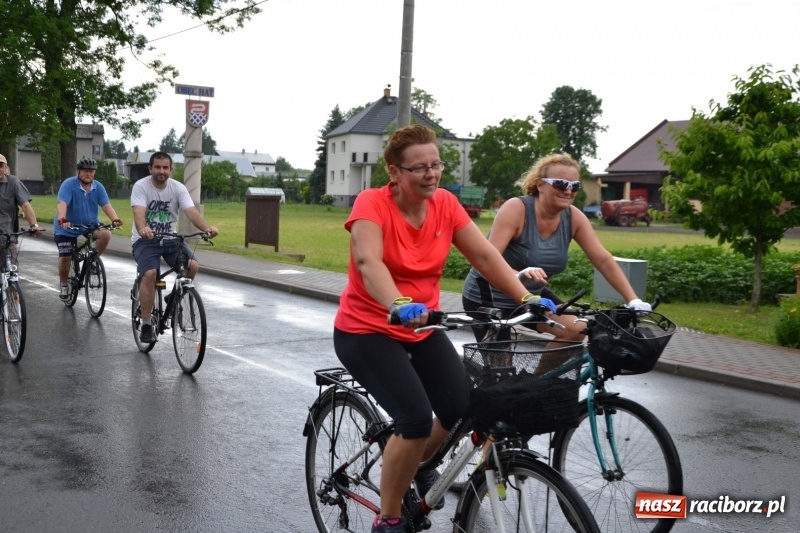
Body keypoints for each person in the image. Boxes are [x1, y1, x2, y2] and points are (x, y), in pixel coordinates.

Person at [332, 125, 554, 533]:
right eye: (420, 167)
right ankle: (389, 517)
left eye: (436, 164)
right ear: (394, 171)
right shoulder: (371, 203)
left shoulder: (446, 205)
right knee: (415, 419)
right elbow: (369, 262)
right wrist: (397, 303)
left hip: (423, 326)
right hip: (367, 329)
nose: (431, 173)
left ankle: (412, 466)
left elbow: (485, 256)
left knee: (457, 410)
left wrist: (524, 297)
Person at [462, 153, 651, 348]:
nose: (568, 191)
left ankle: (540, 379)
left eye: (575, 186)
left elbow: (603, 259)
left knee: (576, 329)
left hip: (533, 297)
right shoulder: (516, 209)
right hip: (487, 296)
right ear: (540, 184)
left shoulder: (574, 218)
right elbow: (487, 261)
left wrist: (633, 299)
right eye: (560, 184)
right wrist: (520, 274)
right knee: (499, 369)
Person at [131, 151, 218, 343]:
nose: (161, 171)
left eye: (165, 167)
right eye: (157, 167)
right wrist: (143, 228)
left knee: (192, 266)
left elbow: (191, 211)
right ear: (150, 168)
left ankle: (173, 298)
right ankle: (146, 323)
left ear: (171, 169)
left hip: (170, 239)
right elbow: (138, 213)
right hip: (146, 240)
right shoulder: (141, 186)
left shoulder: (178, 188)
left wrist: (206, 228)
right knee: (150, 274)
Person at [54, 157, 123, 301]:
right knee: (66, 256)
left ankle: (92, 260)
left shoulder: (98, 187)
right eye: (86, 171)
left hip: (89, 224)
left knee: (105, 234)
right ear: (78, 171)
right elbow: (62, 204)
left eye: (91, 172)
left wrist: (114, 219)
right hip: (67, 227)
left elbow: (106, 205)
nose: (89, 174)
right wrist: (62, 219)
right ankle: (65, 284)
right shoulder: (69, 184)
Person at [0, 154, 44, 265]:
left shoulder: (13, 182)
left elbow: (25, 205)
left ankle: (12, 282)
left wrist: (34, 225)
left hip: (6, 237)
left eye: (0, 166)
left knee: (12, 268)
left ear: (5, 168)